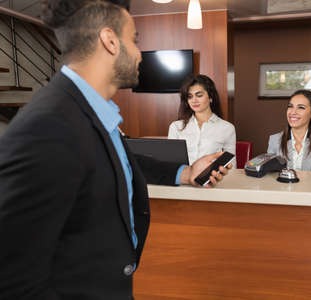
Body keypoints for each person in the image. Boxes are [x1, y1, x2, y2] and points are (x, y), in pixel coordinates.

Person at [0, 1, 230, 299]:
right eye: (134, 40)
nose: (138, 53)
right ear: (110, 41)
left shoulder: (93, 112)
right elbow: (12, 276)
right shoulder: (48, 126)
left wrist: (186, 173)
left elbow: (124, 160)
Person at [168, 74, 236, 165]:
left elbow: (231, 165)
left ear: (210, 97)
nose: (194, 100)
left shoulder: (227, 128)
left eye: (199, 95)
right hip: (182, 178)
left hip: (212, 178)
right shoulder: (176, 127)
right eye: (190, 96)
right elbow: (170, 162)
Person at [267, 89, 311, 171]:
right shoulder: (274, 140)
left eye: (301, 107)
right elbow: (270, 177)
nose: (293, 112)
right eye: (290, 106)